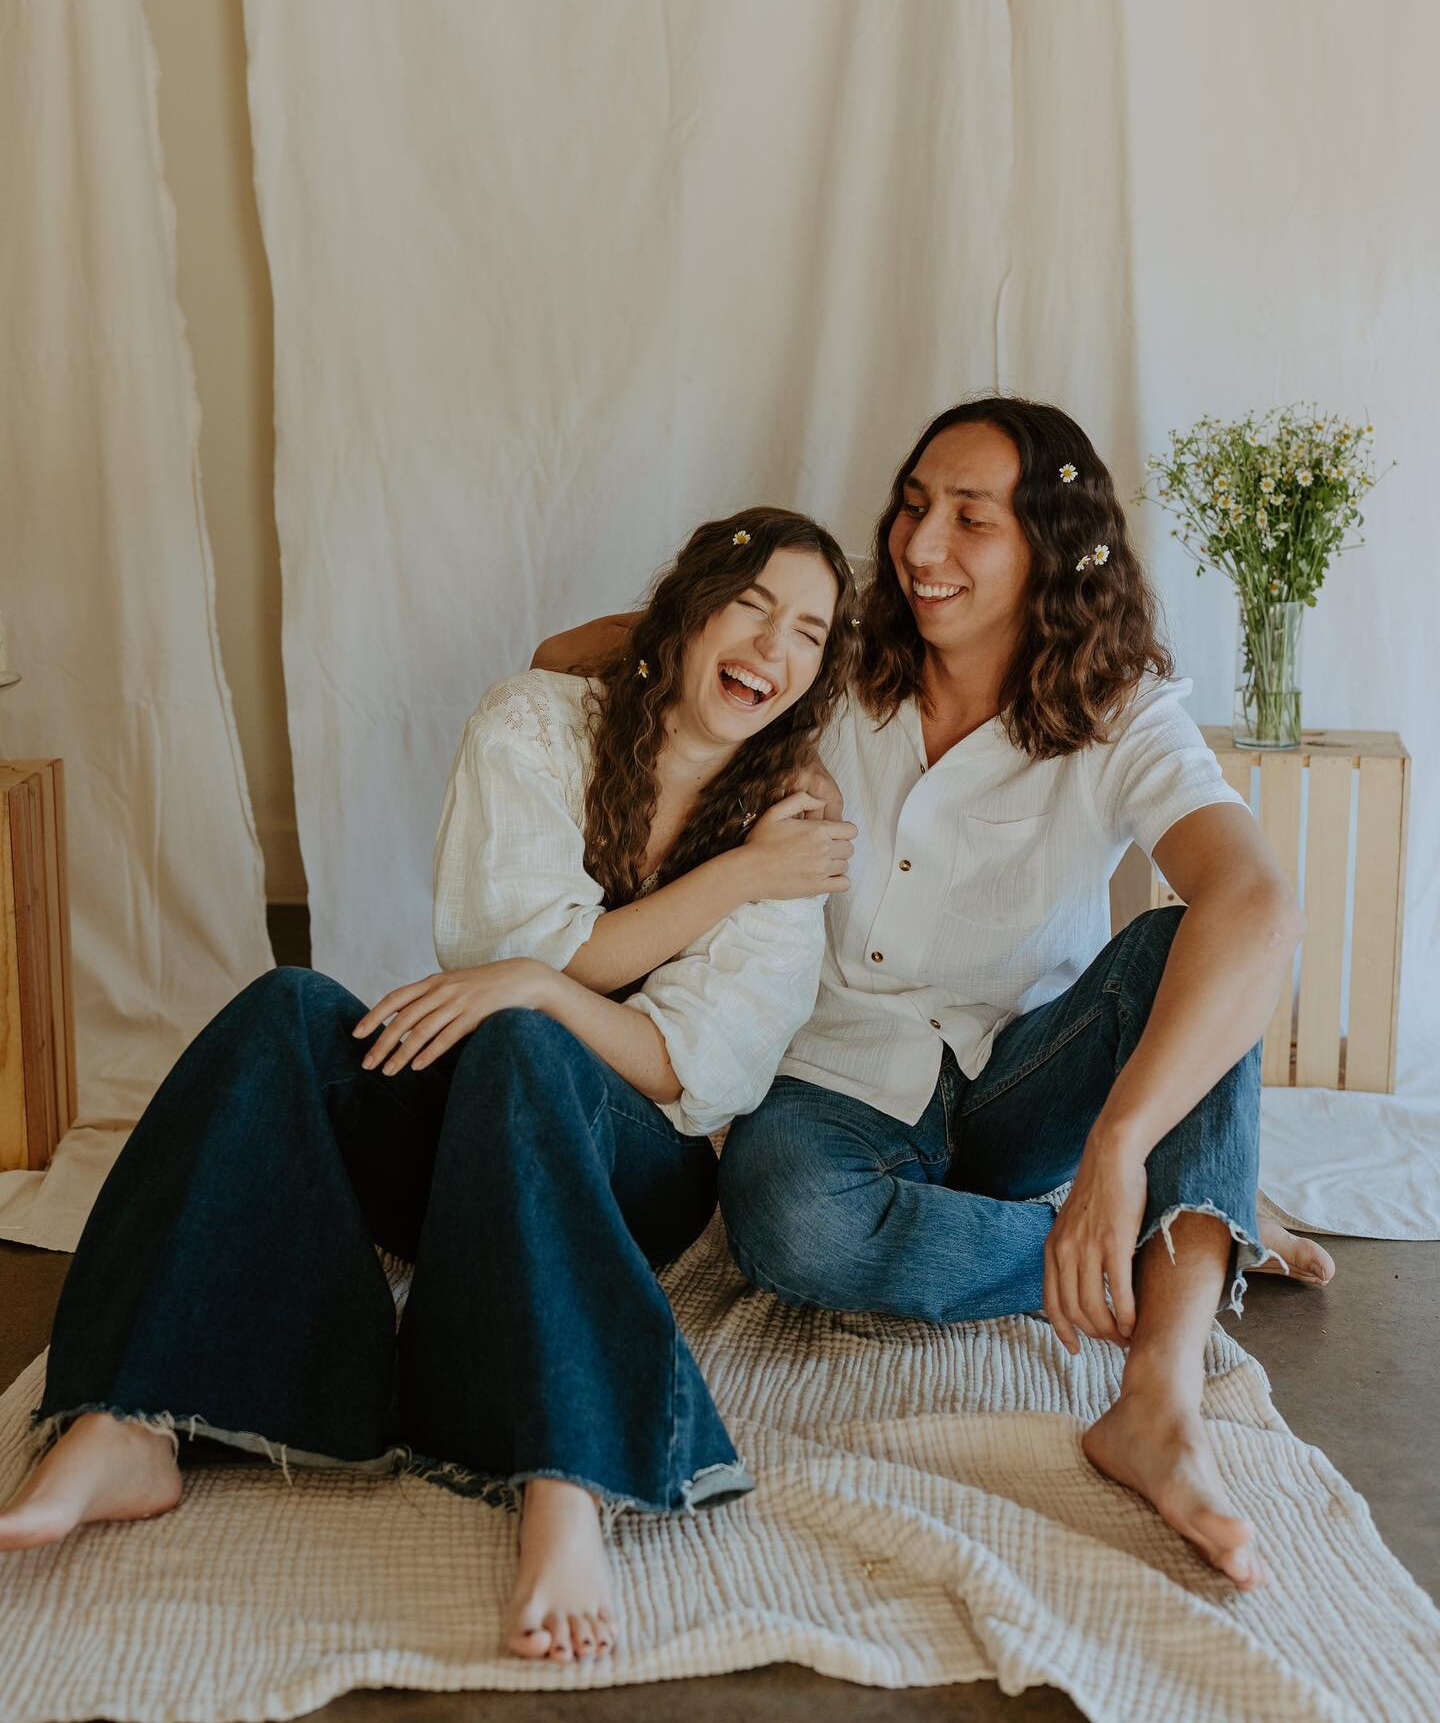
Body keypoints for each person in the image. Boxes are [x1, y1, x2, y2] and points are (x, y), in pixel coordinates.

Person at [0, 508, 860, 1665]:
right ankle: (130, 1421)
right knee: (289, 1011)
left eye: (807, 632)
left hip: (629, 1168)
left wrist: (563, 981)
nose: (772, 644)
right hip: (472, 1148)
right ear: (688, 611)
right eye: (751, 605)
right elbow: (503, 937)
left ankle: (566, 1477)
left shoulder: (793, 832)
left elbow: (685, 1068)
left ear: (814, 677)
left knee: (522, 1039)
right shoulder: (538, 723)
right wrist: (538, 976)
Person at [536, 397, 1334, 1594]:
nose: (920, 546)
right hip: (831, 1079)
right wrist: (702, 646)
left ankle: (1158, 1394)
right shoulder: (829, 650)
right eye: (914, 506)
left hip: (1024, 1079)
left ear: (1053, 548)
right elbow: (565, 659)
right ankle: (1196, 1233)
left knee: (1201, 943)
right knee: (786, 1227)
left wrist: (1118, 1143)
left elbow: (1258, 902)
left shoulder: (1121, 710)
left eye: (971, 518)